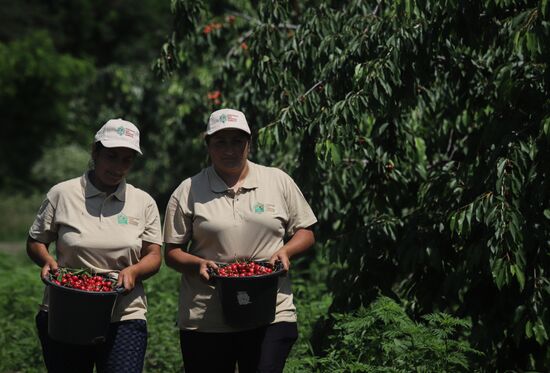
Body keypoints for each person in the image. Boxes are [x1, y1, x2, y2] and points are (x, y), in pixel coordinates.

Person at [163, 108, 317, 373]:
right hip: (207, 317)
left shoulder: (277, 180)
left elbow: (306, 231)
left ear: (249, 143)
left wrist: (286, 252)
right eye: (220, 142)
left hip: (271, 309)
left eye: (237, 141)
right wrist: (198, 264)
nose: (230, 150)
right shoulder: (188, 190)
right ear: (208, 145)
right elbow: (172, 252)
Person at [26, 118, 163, 373]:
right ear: (95, 152)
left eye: (127, 159)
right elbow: (36, 242)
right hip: (66, 312)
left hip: (123, 315)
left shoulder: (143, 202)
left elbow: (154, 255)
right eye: (112, 156)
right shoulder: (62, 194)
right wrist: (47, 261)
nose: (119, 166)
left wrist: (134, 271)